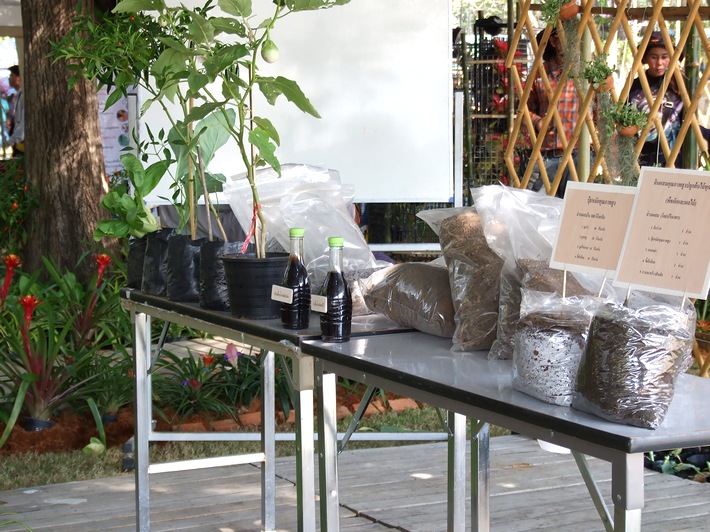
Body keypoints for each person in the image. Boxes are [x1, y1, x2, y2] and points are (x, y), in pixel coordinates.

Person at [526, 29, 581, 198]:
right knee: (537, 206)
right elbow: (524, 110)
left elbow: (601, 114)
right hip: (546, 155)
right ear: (553, 41)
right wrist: (537, 122)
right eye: (565, 37)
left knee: (575, 208)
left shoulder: (586, 75)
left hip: (579, 156)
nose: (571, 42)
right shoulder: (539, 74)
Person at [628, 32, 684, 168]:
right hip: (641, 158)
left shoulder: (680, 86)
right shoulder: (635, 86)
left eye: (664, 57)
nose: (659, 63)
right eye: (653, 57)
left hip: (673, 158)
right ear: (645, 58)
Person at [6, 65, 24, 157]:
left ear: (19, 78)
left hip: (22, 145)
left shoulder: (22, 96)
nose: (9, 78)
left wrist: (11, 140)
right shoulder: (17, 95)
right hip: (18, 144)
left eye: (12, 75)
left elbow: (22, 123)